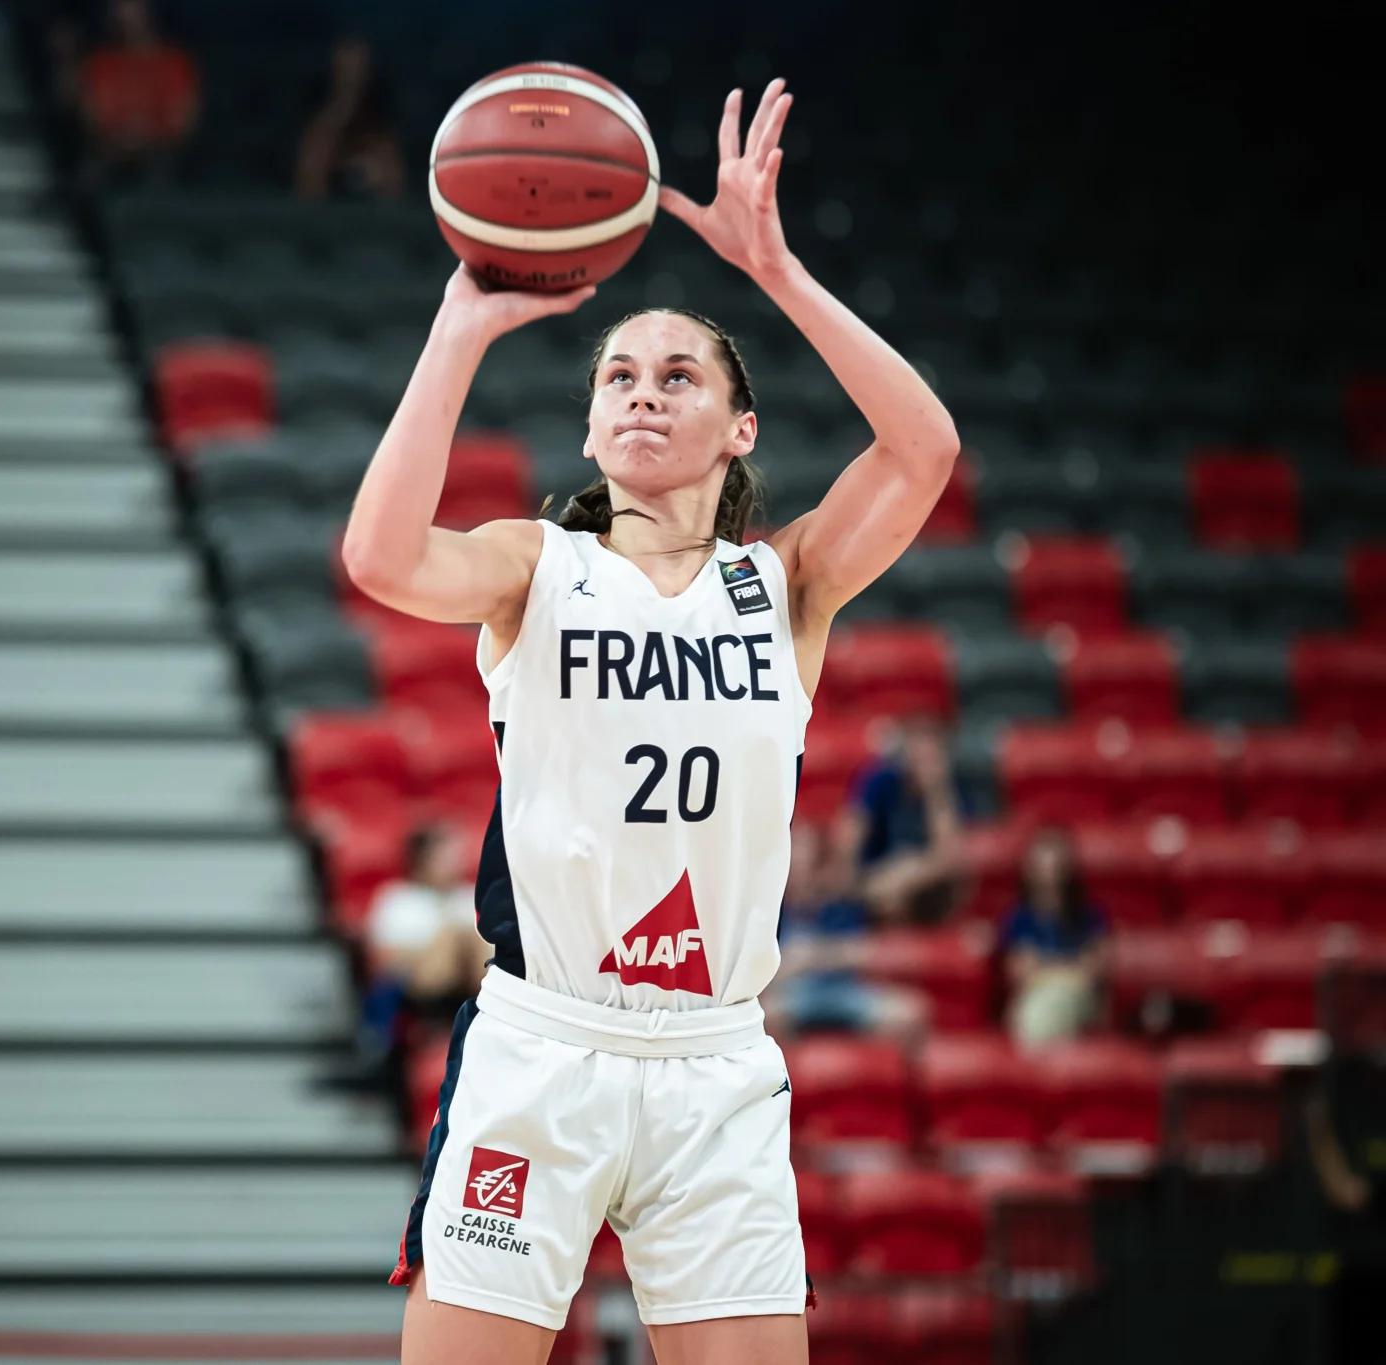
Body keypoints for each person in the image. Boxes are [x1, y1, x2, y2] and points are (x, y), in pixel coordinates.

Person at [342, 78, 961, 1364]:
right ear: (587, 422)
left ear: (738, 429)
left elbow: (922, 452)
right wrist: (458, 331)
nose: (640, 392)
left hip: (712, 1066)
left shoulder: (780, 583)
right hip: (542, 1050)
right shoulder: (532, 567)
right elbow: (382, 556)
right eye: (617, 374)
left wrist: (778, 272)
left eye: (678, 376)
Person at [323, 822, 488, 1096]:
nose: (454, 863)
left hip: (469, 984)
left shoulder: (468, 896)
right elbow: (387, 958)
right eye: (444, 856)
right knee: (455, 933)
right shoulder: (398, 899)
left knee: (469, 936)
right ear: (421, 859)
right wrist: (440, 945)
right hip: (418, 987)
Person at [763, 824, 928, 1042]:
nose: (798, 864)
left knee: (912, 1012)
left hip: (845, 990)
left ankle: (876, 1073)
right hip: (793, 995)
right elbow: (768, 975)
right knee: (765, 1017)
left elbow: (861, 953)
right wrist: (827, 956)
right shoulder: (770, 909)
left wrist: (812, 957)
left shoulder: (841, 900)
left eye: (805, 856)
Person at [835, 714, 970, 924]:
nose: (922, 752)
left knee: (911, 869)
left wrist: (935, 791)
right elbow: (850, 833)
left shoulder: (949, 791)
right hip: (875, 882)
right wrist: (856, 877)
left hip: (927, 894)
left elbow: (948, 858)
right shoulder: (881, 780)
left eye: (930, 747)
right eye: (916, 742)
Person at [63, 0, 199, 189]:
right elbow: (92, 118)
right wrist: (121, 137)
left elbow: (183, 122)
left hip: (161, 153)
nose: (125, 16)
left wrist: (146, 137)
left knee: (163, 171)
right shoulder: (100, 63)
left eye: (133, 8)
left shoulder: (175, 62)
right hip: (110, 152)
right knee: (89, 170)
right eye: (119, 9)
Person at [998, 825, 1109, 1047]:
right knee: (1039, 1009)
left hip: (1080, 1003)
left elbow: (1093, 973)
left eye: (1054, 865)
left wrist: (1045, 971)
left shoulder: (1090, 917)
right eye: (1041, 865)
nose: (1048, 873)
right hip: (1035, 1000)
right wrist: (1070, 970)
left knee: (1050, 1006)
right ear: (1029, 870)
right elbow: (1022, 975)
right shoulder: (1017, 920)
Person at [294, 37, 406, 201]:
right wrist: (342, 105)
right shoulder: (316, 122)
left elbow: (394, 186)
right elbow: (307, 183)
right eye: (344, 71)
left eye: (358, 70)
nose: (352, 77)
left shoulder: (380, 127)